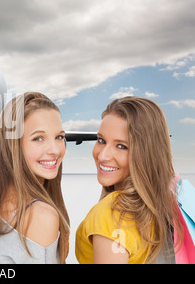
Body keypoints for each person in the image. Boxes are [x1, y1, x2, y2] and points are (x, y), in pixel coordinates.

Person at [75, 96, 183, 264]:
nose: (102, 156)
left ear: (146, 154)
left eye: (121, 146)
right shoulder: (169, 202)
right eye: (101, 140)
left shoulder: (110, 215)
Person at [0, 92, 70, 264]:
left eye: (59, 137)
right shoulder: (40, 215)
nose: (55, 150)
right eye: (38, 138)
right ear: (13, 146)